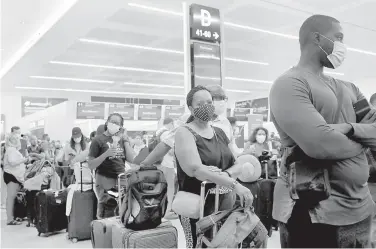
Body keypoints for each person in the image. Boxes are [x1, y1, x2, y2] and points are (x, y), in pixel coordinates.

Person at [270, 14, 376, 248]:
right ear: (317, 37)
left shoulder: (350, 88)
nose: (342, 46)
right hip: (314, 212)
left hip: (360, 208)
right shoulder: (290, 84)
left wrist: (347, 128)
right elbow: (320, 145)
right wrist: (364, 137)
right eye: (338, 38)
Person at [174, 85, 253, 248]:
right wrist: (233, 183)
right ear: (190, 108)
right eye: (200, 103)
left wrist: (221, 175)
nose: (206, 106)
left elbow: (238, 165)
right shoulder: (185, 132)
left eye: (209, 102)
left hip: (225, 202)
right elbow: (196, 170)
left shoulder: (220, 132)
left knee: (225, 243)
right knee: (199, 244)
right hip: (197, 205)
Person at [88, 113, 135, 219]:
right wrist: (106, 154)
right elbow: (90, 165)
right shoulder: (98, 140)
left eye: (117, 123)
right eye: (112, 121)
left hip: (121, 180)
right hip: (105, 181)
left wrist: (126, 139)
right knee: (107, 213)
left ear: (121, 126)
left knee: (121, 213)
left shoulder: (122, 140)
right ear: (107, 122)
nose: (114, 124)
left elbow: (132, 159)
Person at [3, 134, 27, 225]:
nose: (18, 141)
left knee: (13, 197)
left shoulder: (12, 150)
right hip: (11, 176)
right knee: (11, 197)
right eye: (16, 139)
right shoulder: (11, 150)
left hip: (14, 176)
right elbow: (12, 162)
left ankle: (14, 216)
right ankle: (10, 219)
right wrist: (24, 160)